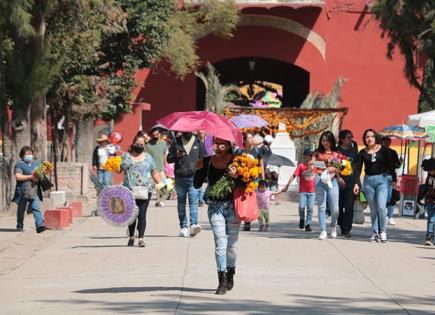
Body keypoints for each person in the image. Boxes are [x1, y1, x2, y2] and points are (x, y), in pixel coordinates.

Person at [193, 137, 240, 295]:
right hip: (215, 207)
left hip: (233, 207)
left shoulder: (237, 160)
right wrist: (198, 170)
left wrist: (237, 177)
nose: (219, 147)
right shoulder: (207, 161)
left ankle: (231, 272)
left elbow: (247, 183)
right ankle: (221, 280)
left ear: (228, 145)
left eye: (222, 144)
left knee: (231, 246)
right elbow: (197, 184)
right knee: (220, 242)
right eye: (216, 143)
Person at [353, 129, 397, 243]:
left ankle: (383, 231)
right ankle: (374, 232)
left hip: (382, 180)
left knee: (381, 206)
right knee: (373, 209)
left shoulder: (384, 150)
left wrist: (394, 180)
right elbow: (357, 169)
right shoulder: (362, 152)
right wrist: (357, 183)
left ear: (375, 137)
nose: (369, 139)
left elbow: (391, 165)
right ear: (365, 139)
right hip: (368, 182)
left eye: (372, 136)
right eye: (367, 137)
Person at [121, 132, 162, 247]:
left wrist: (160, 183)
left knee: (142, 214)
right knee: (131, 214)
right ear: (133, 143)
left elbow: (154, 171)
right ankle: (131, 236)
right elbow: (119, 169)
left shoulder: (148, 157)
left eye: (142, 144)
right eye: (137, 143)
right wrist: (114, 164)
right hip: (128, 190)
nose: (139, 145)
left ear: (144, 145)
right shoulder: (126, 156)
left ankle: (141, 238)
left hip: (145, 190)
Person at [167, 132, 202, 237]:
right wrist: (176, 156)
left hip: (193, 176)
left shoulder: (198, 141)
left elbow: (203, 158)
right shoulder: (176, 142)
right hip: (180, 176)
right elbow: (169, 159)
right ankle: (183, 227)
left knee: (193, 201)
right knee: (181, 203)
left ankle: (194, 225)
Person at [313, 131, 342, 240]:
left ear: (332, 141)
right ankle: (323, 230)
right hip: (320, 180)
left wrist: (333, 168)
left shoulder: (336, 153)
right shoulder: (317, 152)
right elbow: (311, 163)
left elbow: (339, 168)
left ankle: (333, 225)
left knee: (335, 209)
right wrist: (323, 167)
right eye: (323, 140)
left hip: (332, 182)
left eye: (327, 140)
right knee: (321, 207)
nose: (325, 143)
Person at [12, 146, 48, 233]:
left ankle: (40, 225)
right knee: (21, 209)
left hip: (34, 190)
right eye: (27, 154)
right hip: (23, 191)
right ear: (22, 155)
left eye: (31, 154)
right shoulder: (19, 164)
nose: (29, 155)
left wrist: (42, 174)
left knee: (36, 207)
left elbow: (40, 175)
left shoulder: (36, 164)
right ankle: (19, 225)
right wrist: (31, 177)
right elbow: (18, 176)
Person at [235, 133, 264, 231]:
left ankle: (247, 222)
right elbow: (235, 163)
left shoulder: (257, 151)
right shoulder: (239, 151)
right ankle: (240, 218)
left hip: (253, 179)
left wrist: (262, 178)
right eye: (250, 138)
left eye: (252, 138)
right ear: (245, 140)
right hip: (240, 179)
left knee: (250, 200)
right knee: (241, 199)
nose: (252, 139)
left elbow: (261, 164)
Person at [282, 148, 316, 232]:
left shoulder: (315, 166)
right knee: (301, 207)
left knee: (310, 208)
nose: (312, 157)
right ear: (305, 156)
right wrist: (287, 185)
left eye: (312, 155)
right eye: (310, 155)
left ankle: (308, 224)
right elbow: (294, 175)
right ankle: (302, 218)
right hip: (303, 192)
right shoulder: (301, 166)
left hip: (312, 192)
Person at [336, 130, 359, 237]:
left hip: (351, 183)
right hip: (339, 183)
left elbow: (357, 168)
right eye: (348, 137)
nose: (351, 139)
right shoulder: (336, 151)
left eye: (351, 137)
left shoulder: (354, 151)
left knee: (349, 207)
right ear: (342, 139)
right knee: (339, 207)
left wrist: (357, 183)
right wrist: (338, 178)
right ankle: (341, 224)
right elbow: (334, 166)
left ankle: (347, 229)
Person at [380, 136, 402, 226]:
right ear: (381, 143)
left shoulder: (393, 152)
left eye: (388, 142)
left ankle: (391, 216)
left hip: (391, 177)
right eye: (385, 142)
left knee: (392, 196)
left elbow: (396, 166)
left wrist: (400, 162)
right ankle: (383, 214)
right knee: (383, 197)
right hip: (381, 177)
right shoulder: (378, 152)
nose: (387, 144)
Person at [146, 126, 168, 207]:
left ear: (160, 134)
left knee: (163, 186)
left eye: (157, 134)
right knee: (150, 187)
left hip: (161, 168)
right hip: (150, 170)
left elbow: (164, 155)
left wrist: (166, 167)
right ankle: (146, 202)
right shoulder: (147, 145)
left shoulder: (163, 143)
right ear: (151, 135)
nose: (156, 136)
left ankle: (160, 201)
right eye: (154, 135)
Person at [419, 158, 435, 246]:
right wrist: (420, 197)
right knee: (431, 219)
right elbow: (426, 187)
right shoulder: (429, 177)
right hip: (430, 200)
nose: (430, 172)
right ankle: (429, 237)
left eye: (431, 170)